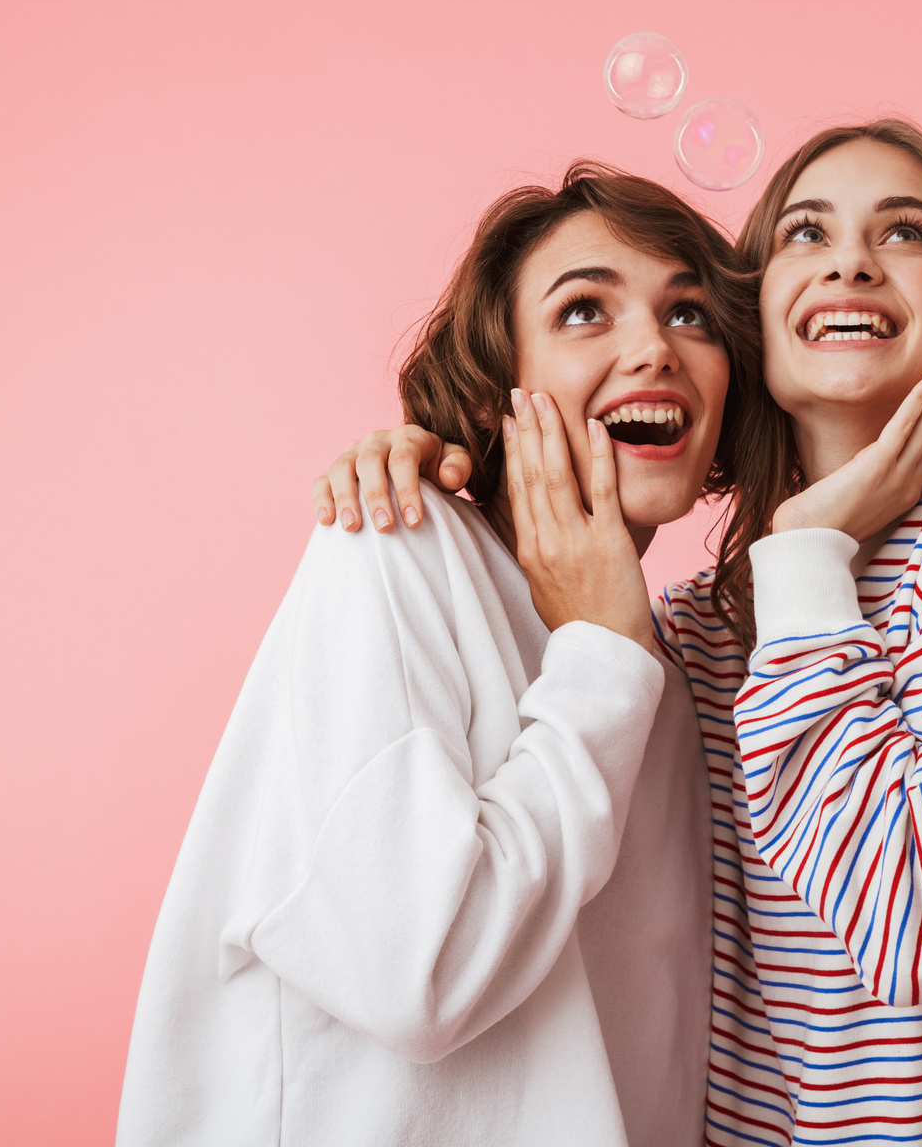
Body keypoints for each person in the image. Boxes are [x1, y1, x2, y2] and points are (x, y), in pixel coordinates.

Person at [321, 119, 922, 1145]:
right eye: (807, 234)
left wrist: (808, 549)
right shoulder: (703, 637)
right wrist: (435, 459)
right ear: (754, 317)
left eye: (904, 235)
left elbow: (909, 929)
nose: (851, 257)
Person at [118, 162, 760, 1147]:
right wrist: (599, 663)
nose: (653, 350)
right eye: (585, 311)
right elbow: (420, 972)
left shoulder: (667, 672)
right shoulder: (394, 549)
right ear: (503, 383)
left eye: (692, 315)